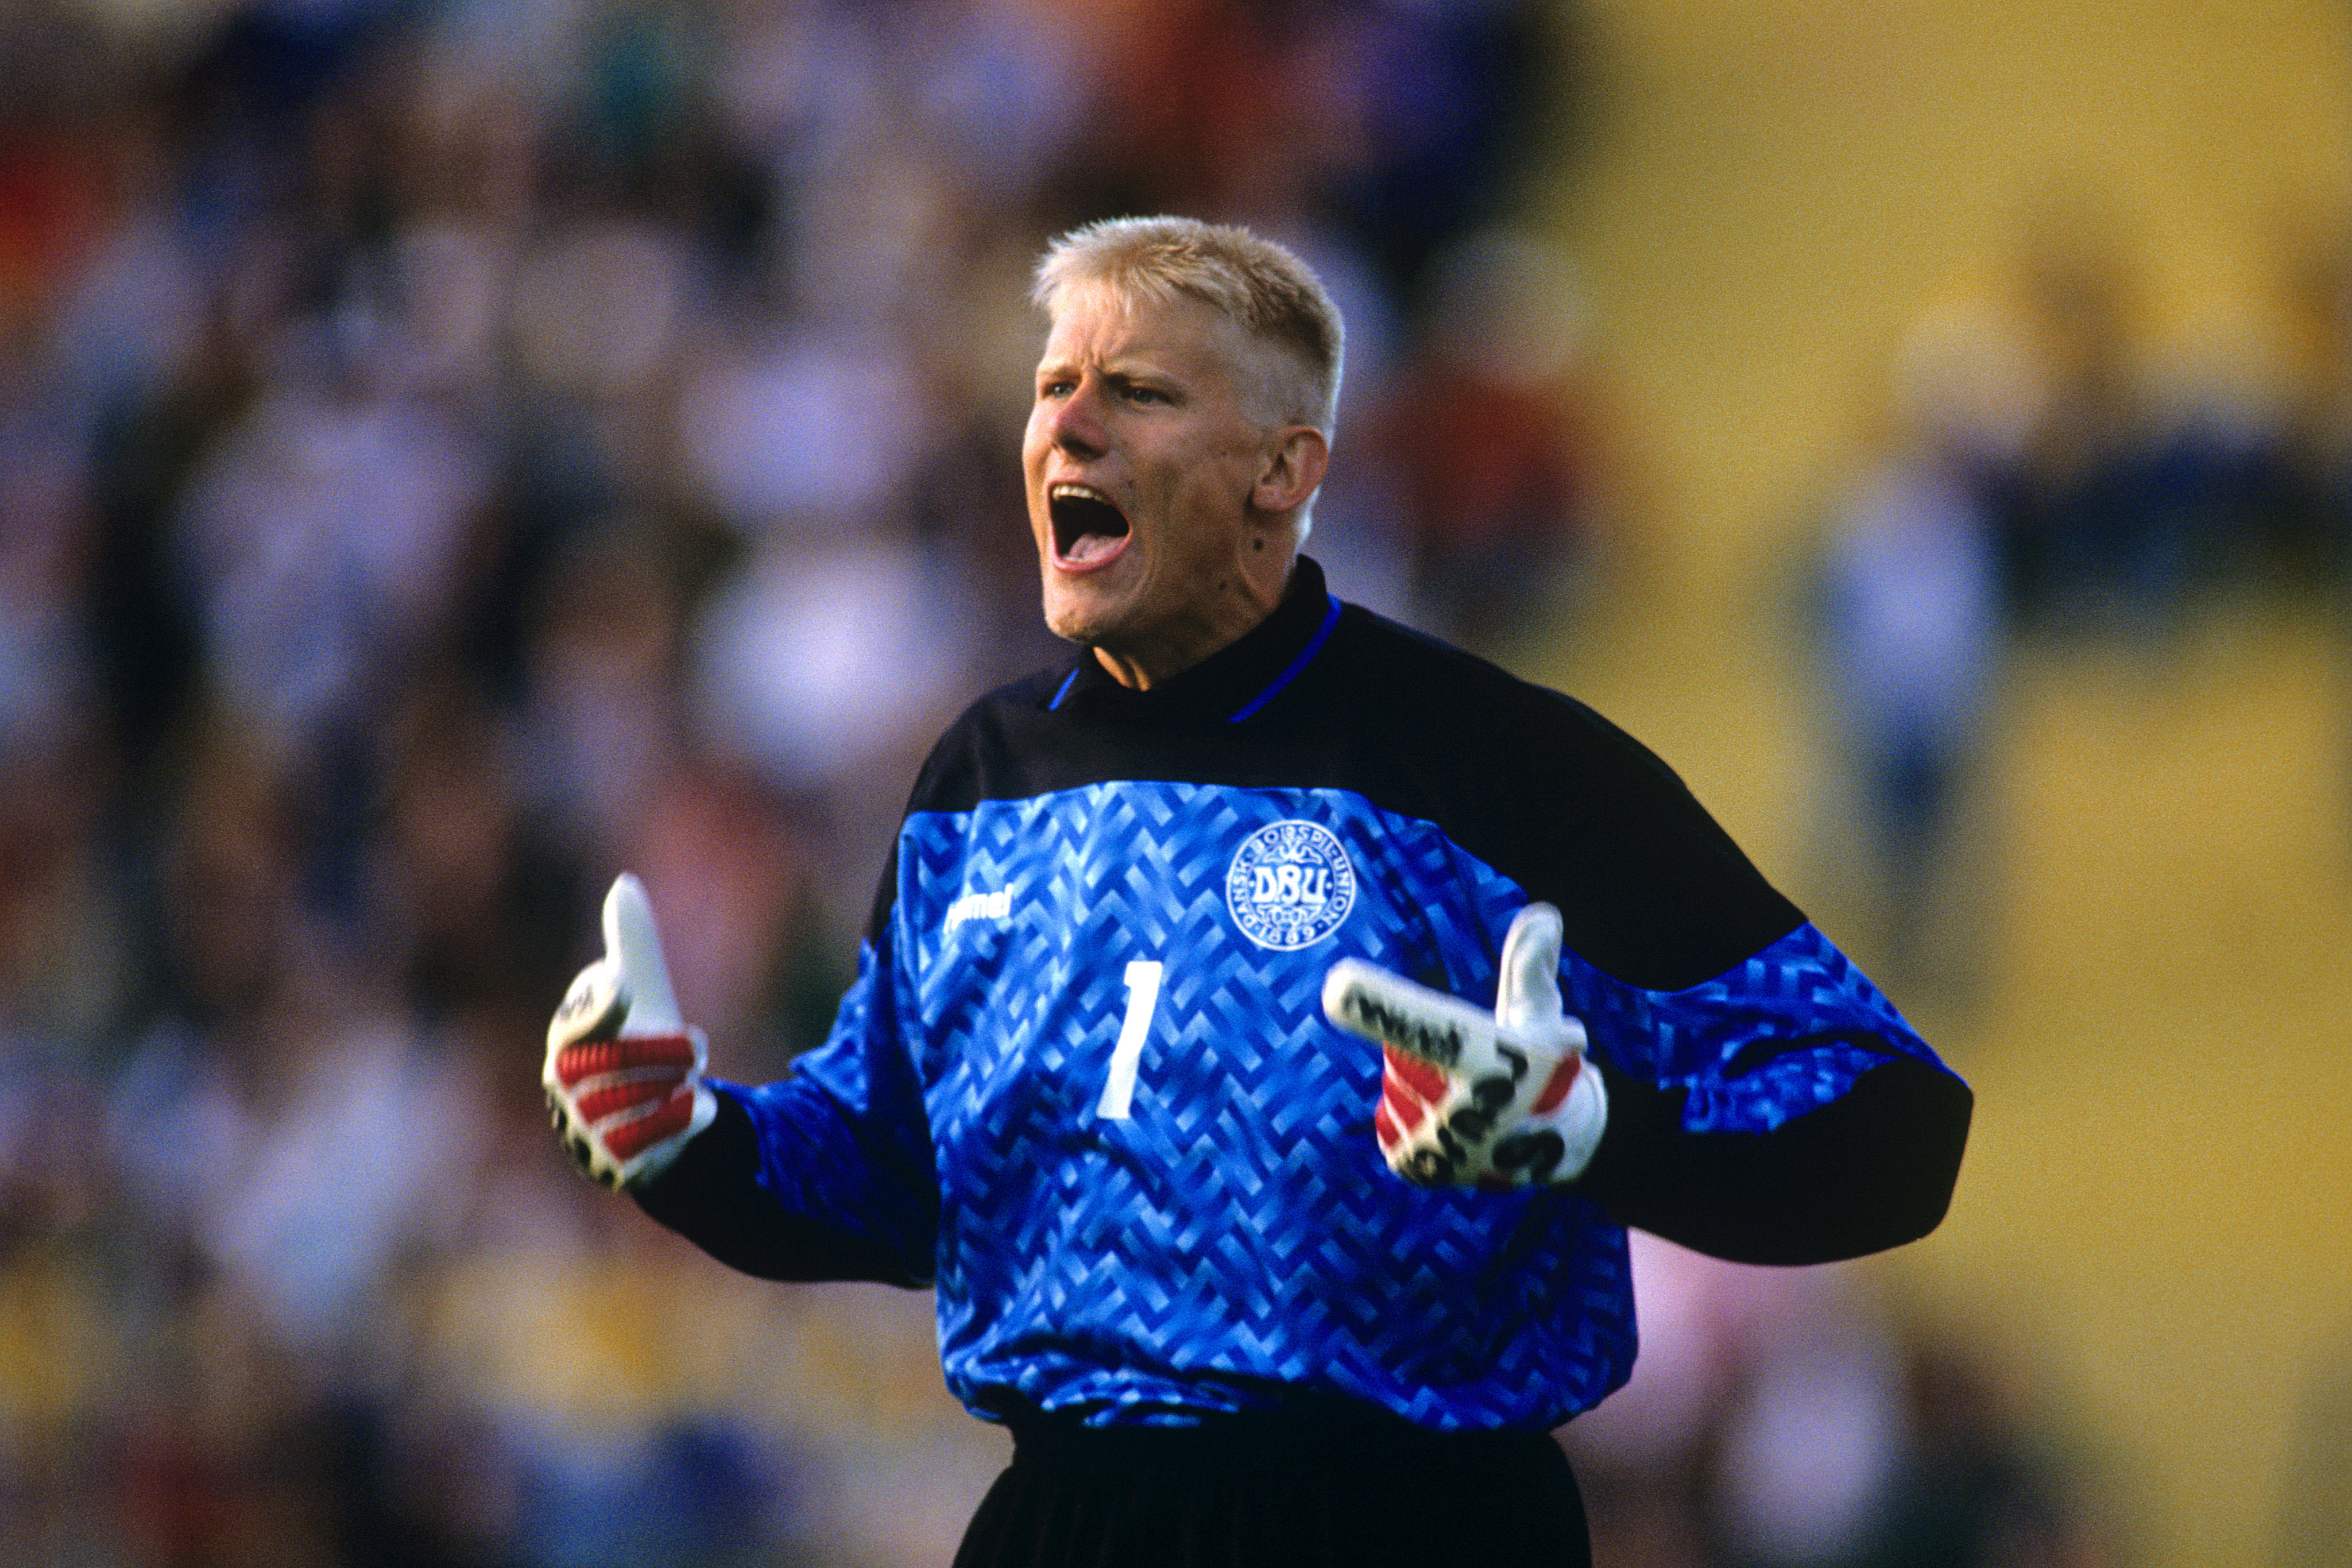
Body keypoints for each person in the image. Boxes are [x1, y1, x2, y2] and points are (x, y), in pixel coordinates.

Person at [543, 215, 1973, 1568]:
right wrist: (683, 1140)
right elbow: (882, 1179)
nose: (1068, 424)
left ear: (1282, 472)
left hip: (1410, 1524)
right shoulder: (982, 782)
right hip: (1062, 1526)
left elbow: (1891, 1119)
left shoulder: (1493, 764)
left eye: (1139, 390)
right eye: (1052, 384)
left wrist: (1596, 1129)